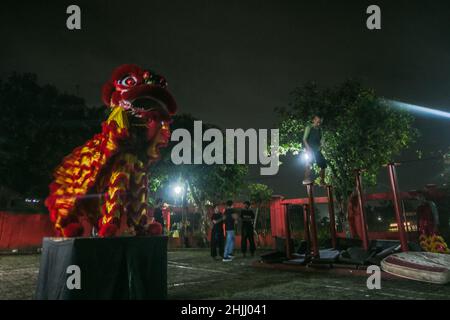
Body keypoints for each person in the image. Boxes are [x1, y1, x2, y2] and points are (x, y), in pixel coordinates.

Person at [303, 115, 327, 185]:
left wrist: (322, 146)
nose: (318, 122)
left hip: (317, 150)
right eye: (317, 120)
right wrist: (308, 149)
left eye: (319, 121)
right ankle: (306, 179)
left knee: (323, 164)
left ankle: (322, 181)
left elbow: (321, 140)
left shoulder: (320, 130)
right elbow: (304, 139)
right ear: (313, 120)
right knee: (309, 163)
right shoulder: (309, 127)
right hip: (310, 149)